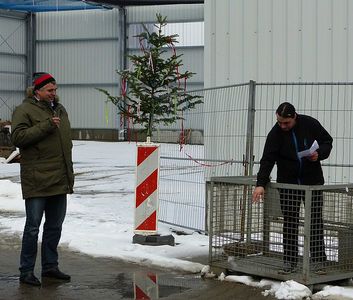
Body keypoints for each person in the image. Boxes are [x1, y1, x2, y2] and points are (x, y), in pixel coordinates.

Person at [252, 102, 333, 274]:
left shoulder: (310, 123)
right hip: (288, 184)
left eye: (286, 123)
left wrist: (319, 155)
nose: (282, 126)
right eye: (279, 122)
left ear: (294, 117)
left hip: (312, 182)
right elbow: (267, 159)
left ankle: (319, 260)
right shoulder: (275, 134)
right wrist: (260, 184)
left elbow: (327, 141)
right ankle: (289, 261)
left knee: (315, 220)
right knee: (290, 221)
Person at [11, 72, 74, 286]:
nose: (53, 94)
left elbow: (65, 143)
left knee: (55, 226)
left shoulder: (60, 109)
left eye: (55, 90)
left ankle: (50, 267)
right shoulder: (24, 110)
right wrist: (46, 125)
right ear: (37, 90)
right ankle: (26, 271)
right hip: (37, 179)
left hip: (59, 177)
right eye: (49, 90)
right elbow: (18, 138)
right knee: (33, 228)